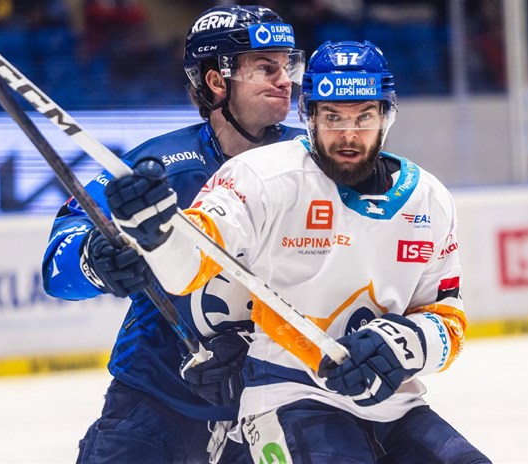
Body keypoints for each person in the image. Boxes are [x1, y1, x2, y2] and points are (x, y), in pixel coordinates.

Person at [109, 40, 492, 463]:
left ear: (387, 115)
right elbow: (188, 267)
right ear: (308, 115)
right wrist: (158, 233)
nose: (348, 135)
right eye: (332, 117)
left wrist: (399, 346)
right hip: (286, 396)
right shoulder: (261, 177)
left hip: (394, 403)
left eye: (364, 116)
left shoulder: (429, 198)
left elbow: (447, 320)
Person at [41, 5, 306, 463]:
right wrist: (96, 259)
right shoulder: (159, 164)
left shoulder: (313, 163)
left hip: (278, 404)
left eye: (288, 66)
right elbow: (57, 268)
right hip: (155, 402)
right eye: (267, 68)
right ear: (216, 81)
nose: (285, 81)